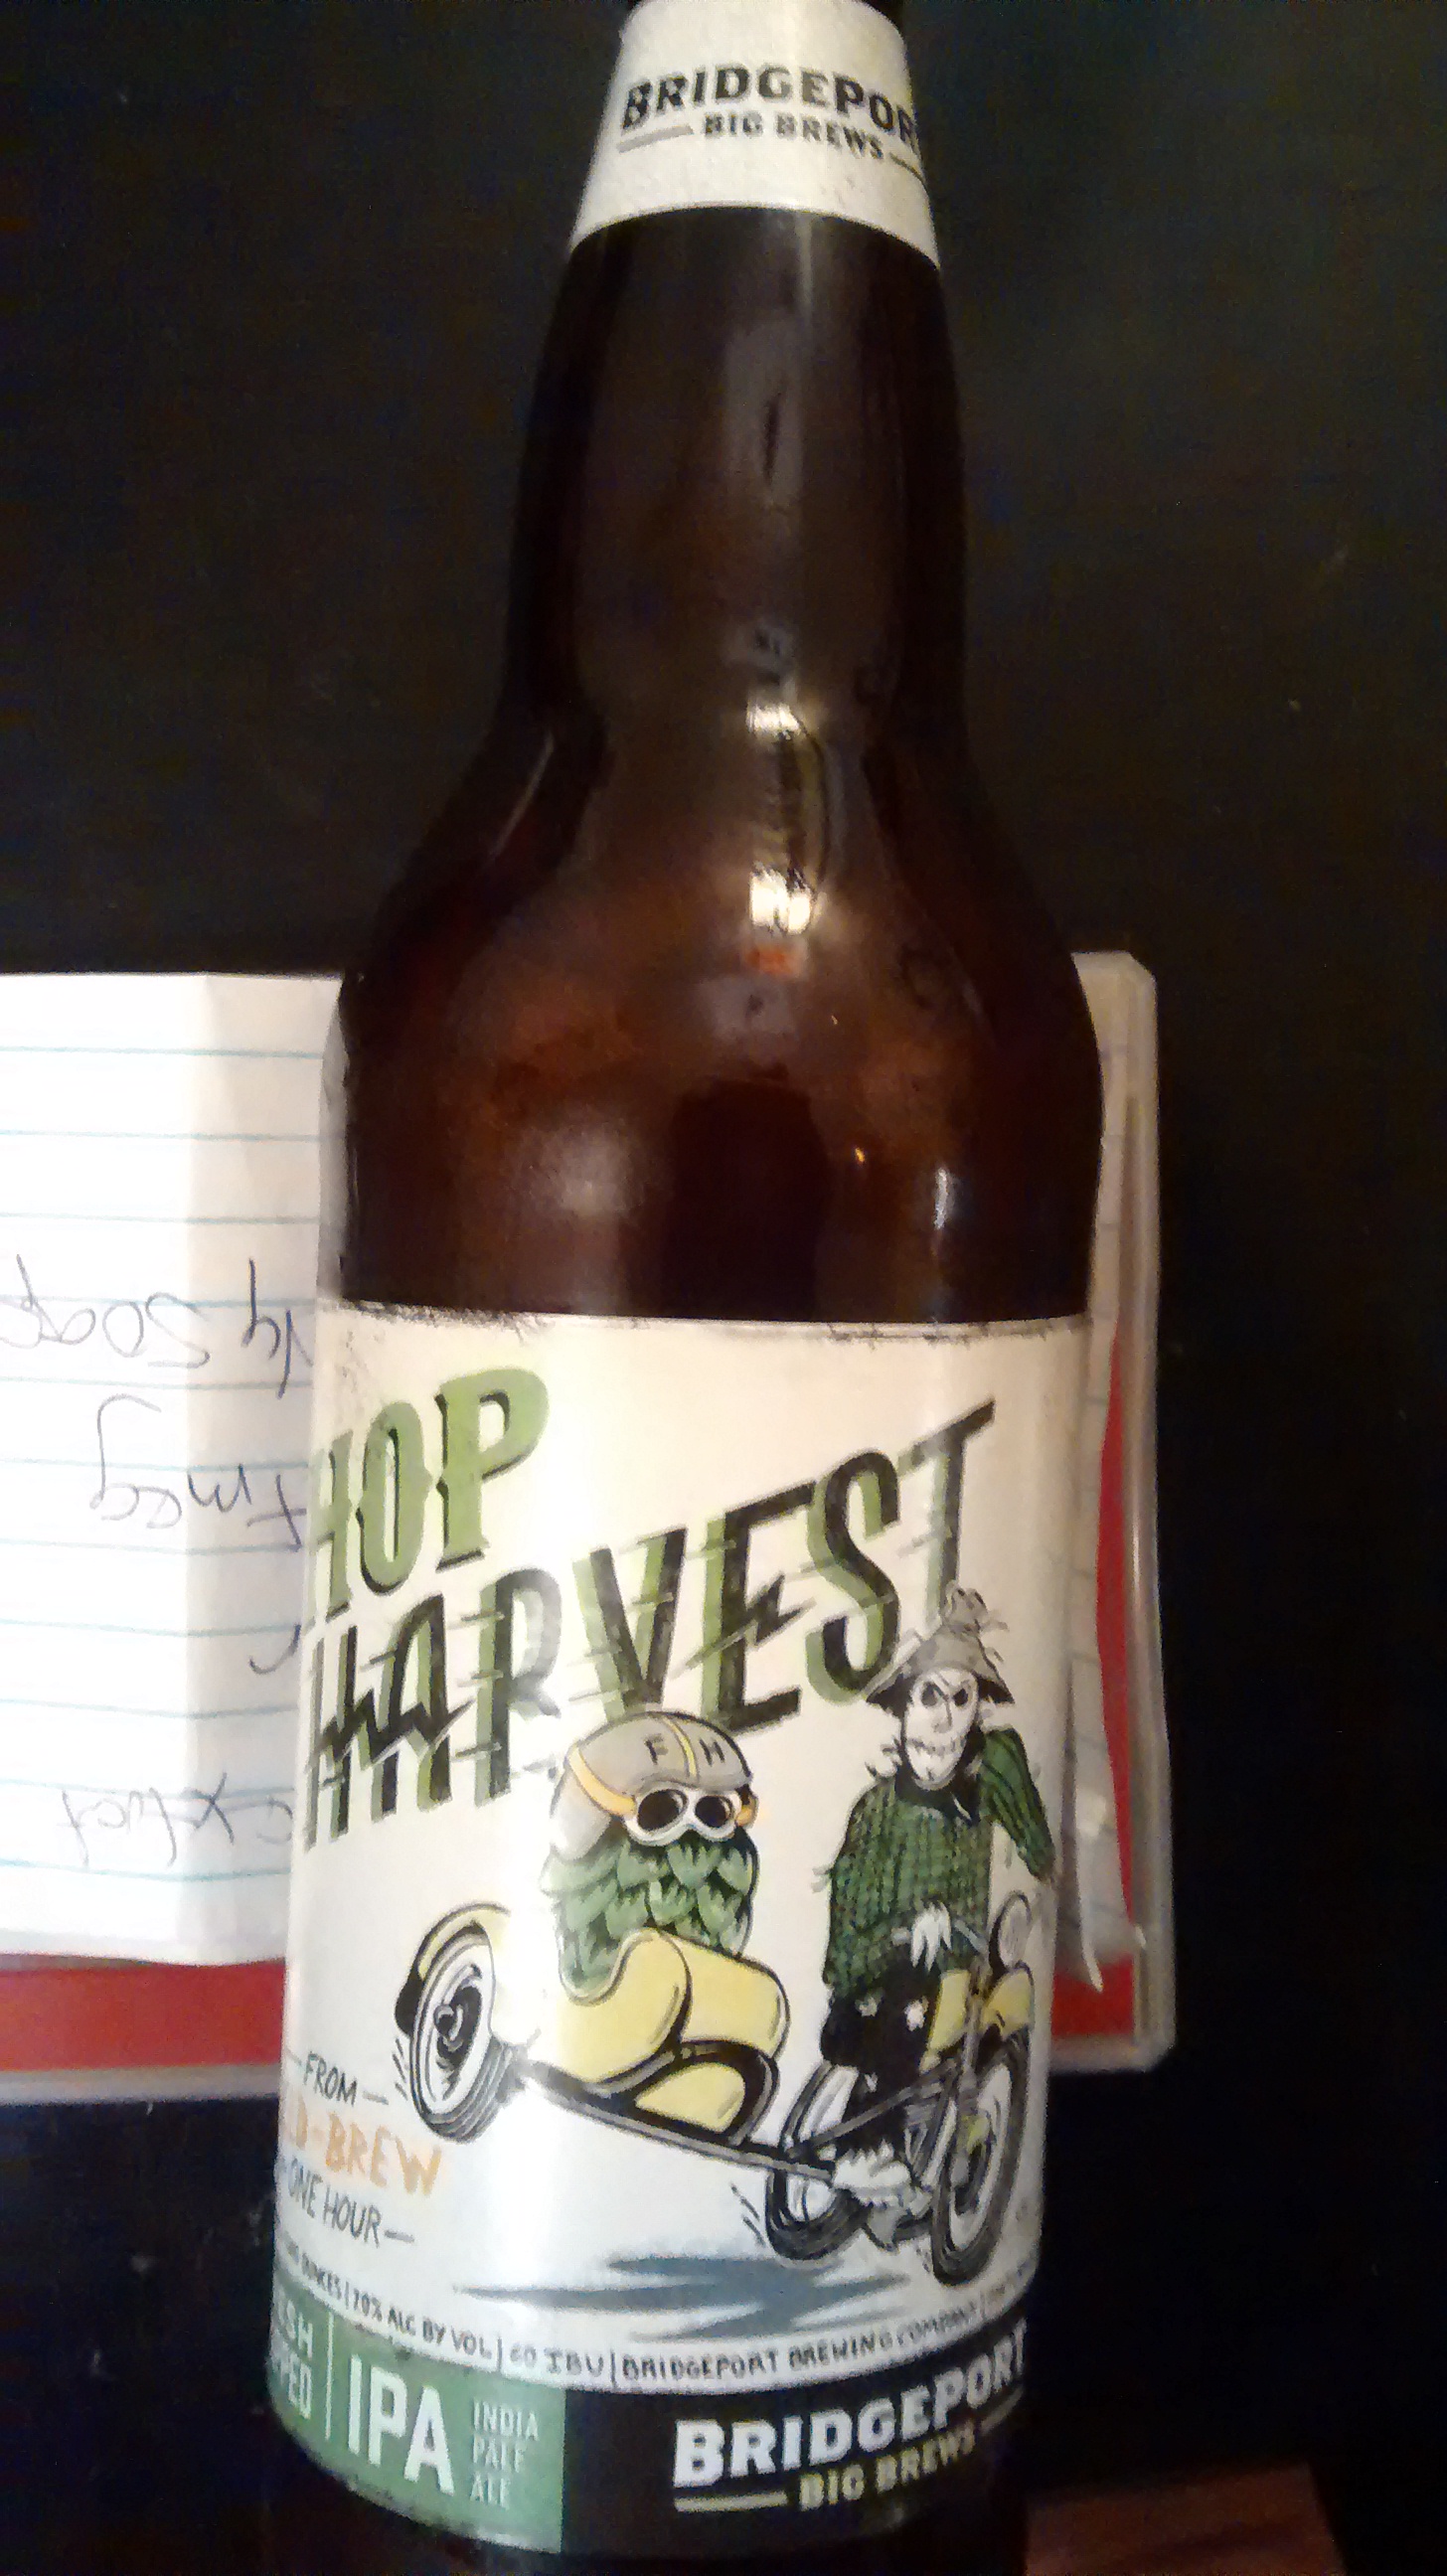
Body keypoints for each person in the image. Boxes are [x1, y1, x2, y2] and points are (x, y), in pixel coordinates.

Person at [822, 1585, 1055, 2205]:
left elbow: (1035, 1838)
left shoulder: (981, 1786)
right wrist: (904, 1934)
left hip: (961, 1975)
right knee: (917, 1996)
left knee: (976, 1997)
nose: (945, 1717)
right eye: (929, 1696)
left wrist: (1047, 1877)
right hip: (874, 1992)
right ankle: (861, 2151)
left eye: (961, 1698)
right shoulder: (877, 1813)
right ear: (903, 1707)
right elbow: (843, 1945)